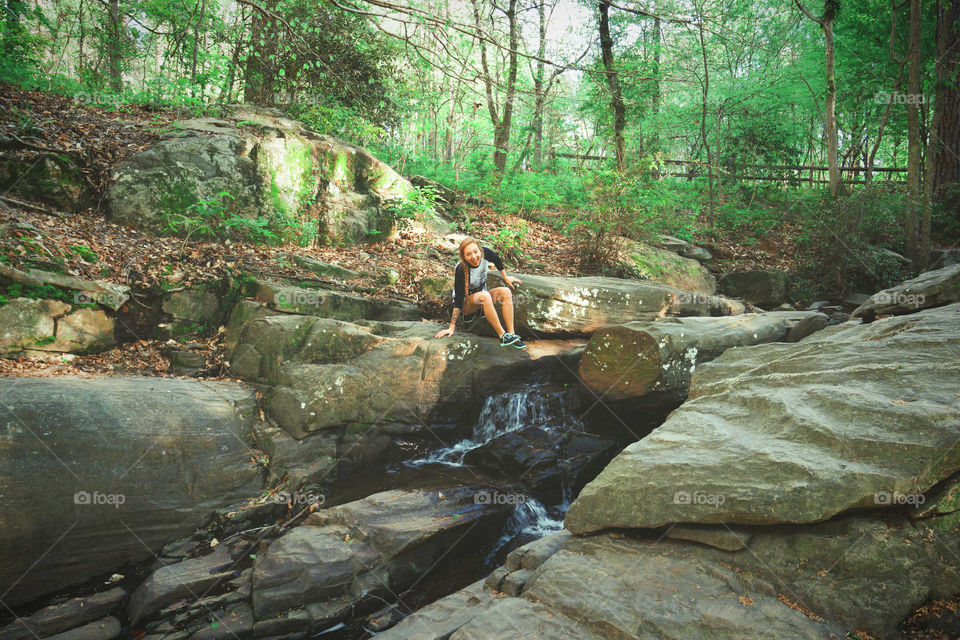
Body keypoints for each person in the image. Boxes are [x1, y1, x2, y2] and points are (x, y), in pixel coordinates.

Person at [433, 237, 526, 349]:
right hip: (467, 306)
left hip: (482, 298)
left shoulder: (485, 253)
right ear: (464, 257)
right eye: (468, 254)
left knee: (505, 291)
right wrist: (451, 327)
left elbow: (497, 259)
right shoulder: (461, 269)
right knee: (484, 295)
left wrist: (505, 278)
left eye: (475, 252)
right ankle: (502, 335)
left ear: (480, 250)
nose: (473, 256)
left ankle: (511, 335)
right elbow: (458, 301)